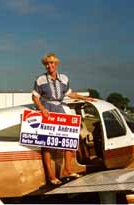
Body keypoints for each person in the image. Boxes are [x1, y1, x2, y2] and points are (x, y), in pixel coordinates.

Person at [32, 53, 94, 185]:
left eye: (52, 63)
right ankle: (51, 176)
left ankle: (67, 169)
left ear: (56, 64)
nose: (49, 66)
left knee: (68, 140)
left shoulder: (64, 78)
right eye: (47, 64)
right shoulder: (40, 79)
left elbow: (70, 93)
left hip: (60, 110)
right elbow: (35, 97)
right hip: (47, 110)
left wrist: (85, 98)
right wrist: (42, 109)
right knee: (47, 145)